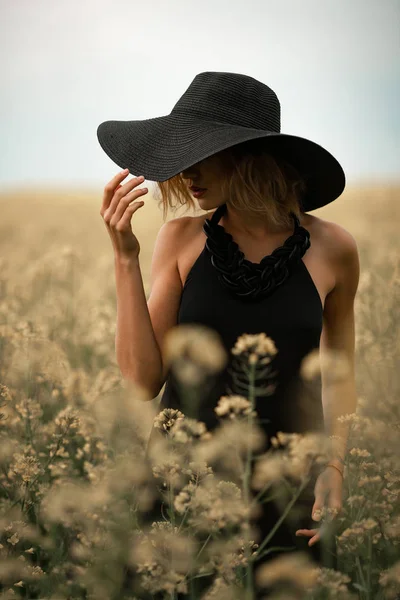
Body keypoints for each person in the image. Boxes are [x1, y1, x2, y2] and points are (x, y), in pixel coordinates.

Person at [97, 71, 360, 597]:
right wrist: (126, 259)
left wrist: (335, 465)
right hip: (182, 482)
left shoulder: (335, 248)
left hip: (288, 487)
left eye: (201, 153)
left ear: (247, 154)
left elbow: (338, 373)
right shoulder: (181, 239)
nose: (186, 174)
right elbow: (143, 381)